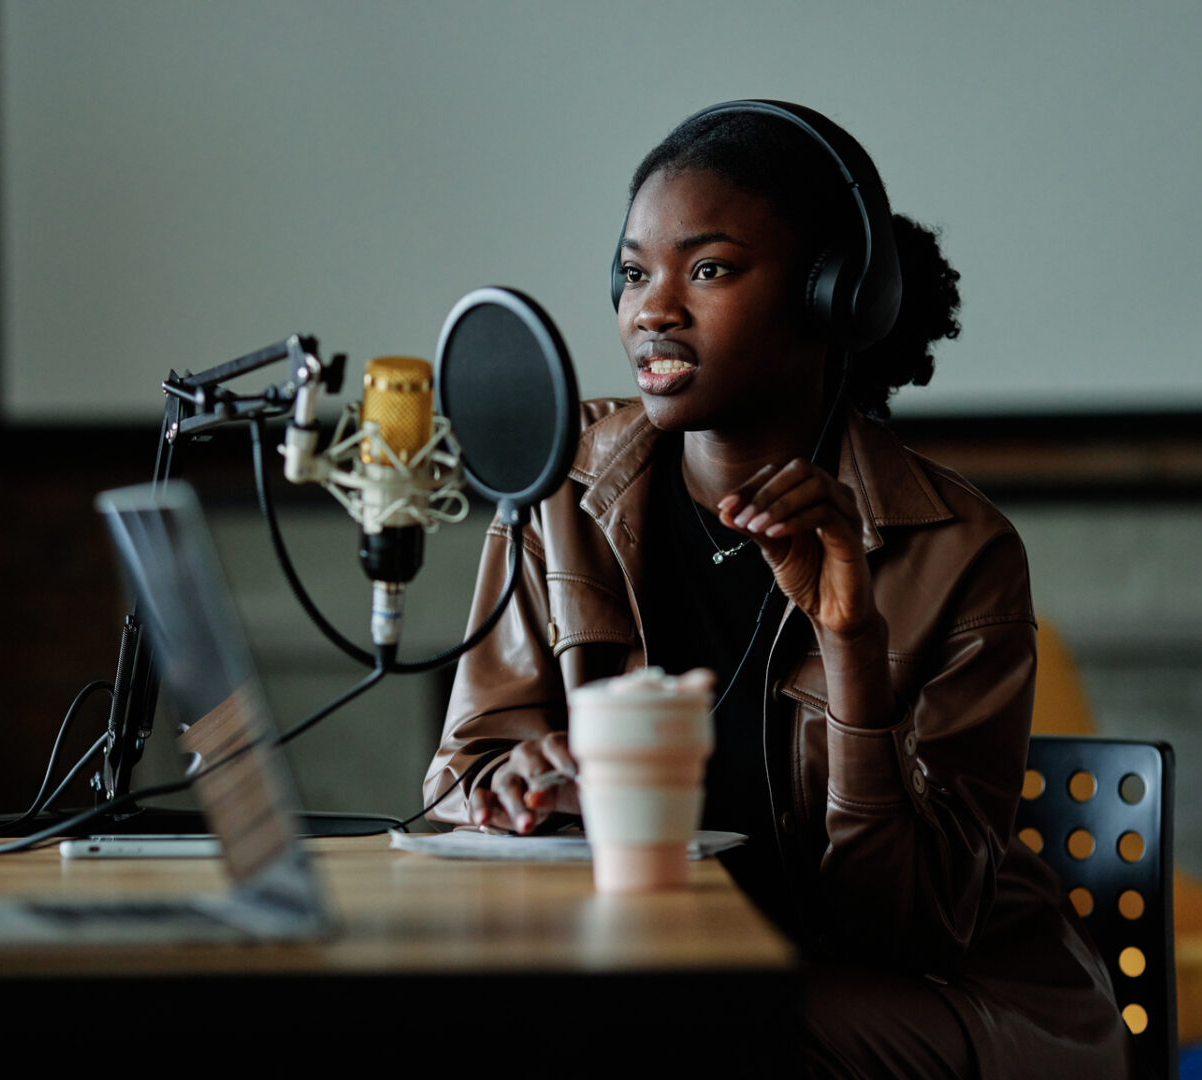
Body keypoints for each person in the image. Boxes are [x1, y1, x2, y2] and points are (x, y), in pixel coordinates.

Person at [423, 101, 1129, 1076]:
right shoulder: (562, 489)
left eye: (707, 269)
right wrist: (512, 788)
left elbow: (911, 927)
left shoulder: (960, 551)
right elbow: (456, 787)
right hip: (660, 974)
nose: (652, 309)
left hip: (933, 998)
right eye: (634, 273)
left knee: (700, 1025)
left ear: (828, 296)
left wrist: (852, 645)